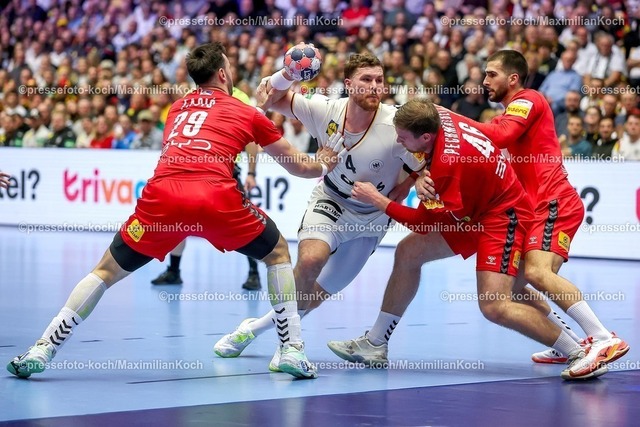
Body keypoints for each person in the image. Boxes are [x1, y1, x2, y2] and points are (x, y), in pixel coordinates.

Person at [7, 42, 344, 380]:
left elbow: (214, 126)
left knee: (105, 271)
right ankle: (291, 348)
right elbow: (299, 167)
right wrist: (322, 163)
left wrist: (258, 109)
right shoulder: (247, 112)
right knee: (277, 252)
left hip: (162, 199)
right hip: (215, 200)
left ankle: (44, 346)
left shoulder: (176, 108)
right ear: (223, 73)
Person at [327, 99, 609, 380]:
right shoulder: (438, 113)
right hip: (477, 205)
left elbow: (422, 222)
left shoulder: (446, 168)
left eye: (403, 137)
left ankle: (578, 351)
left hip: (502, 215)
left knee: (495, 304)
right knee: (408, 252)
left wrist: (377, 199)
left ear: (425, 137)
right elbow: (422, 155)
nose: (398, 141)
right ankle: (375, 343)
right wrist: (416, 176)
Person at [213, 52, 426, 370]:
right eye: (367, 80)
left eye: (380, 80)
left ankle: (253, 329)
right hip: (331, 200)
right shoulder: (325, 109)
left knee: (315, 296)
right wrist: (288, 72)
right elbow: (269, 94)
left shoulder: (395, 125)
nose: (375, 86)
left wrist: (409, 182)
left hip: (371, 217)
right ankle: (290, 348)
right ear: (348, 84)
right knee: (311, 260)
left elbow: (424, 160)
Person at [473, 50, 628, 365]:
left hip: (553, 202)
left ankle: (603, 338)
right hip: (533, 210)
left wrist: (449, 119)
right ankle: (568, 343)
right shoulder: (504, 115)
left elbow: (502, 135)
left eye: (491, 74)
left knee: (537, 272)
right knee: (513, 286)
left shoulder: (528, 99)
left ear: (513, 78)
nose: (485, 80)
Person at [151, 86, 263, 290]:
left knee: (244, 222)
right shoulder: (190, 95)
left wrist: (252, 173)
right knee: (177, 220)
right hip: (190, 168)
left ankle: (254, 273)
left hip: (225, 171)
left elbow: (251, 138)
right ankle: (173, 271)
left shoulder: (238, 97)